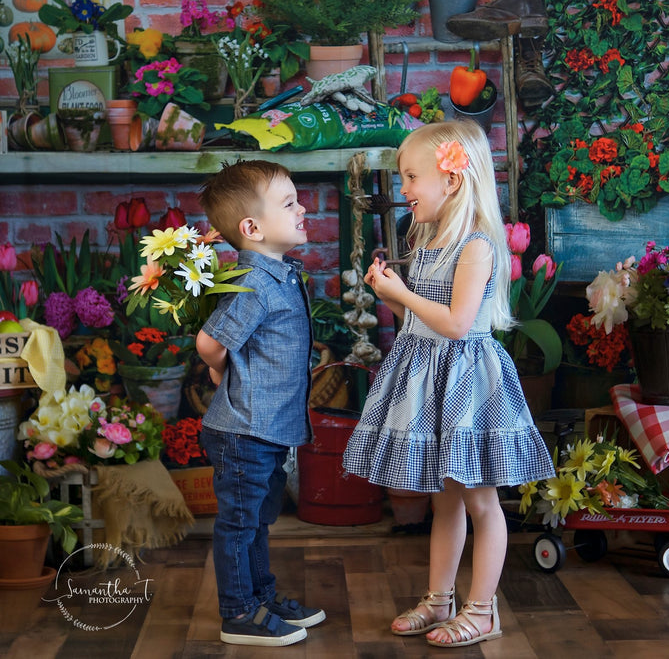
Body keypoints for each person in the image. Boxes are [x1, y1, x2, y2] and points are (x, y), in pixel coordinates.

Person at [342, 120, 555, 648]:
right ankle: (440, 600)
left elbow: (458, 325)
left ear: (452, 179)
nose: (404, 189)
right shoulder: (430, 240)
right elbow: (423, 320)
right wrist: (392, 295)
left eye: (412, 177)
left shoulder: (476, 245)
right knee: (446, 500)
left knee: (481, 501)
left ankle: (483, 610)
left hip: (465, 382)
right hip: (430, 375)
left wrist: (402, 295)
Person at [196, 160, 324, 647]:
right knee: (239, 523)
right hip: (244, 430)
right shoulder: (253, 283)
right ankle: (238, 613)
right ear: (252, 228)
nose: (302, 208)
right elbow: (210, 342)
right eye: (289, 203)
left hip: (265, 428)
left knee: (257, 521)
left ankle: (260, 597)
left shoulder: (279, 275)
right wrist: (218, 370)